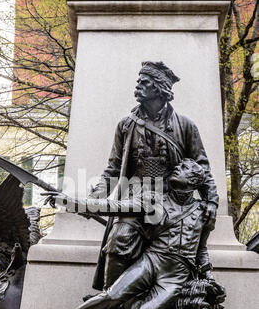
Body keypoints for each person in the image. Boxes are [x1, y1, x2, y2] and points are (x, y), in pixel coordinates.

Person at [25, 159, 222, 309]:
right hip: (152, 260)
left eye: (185, 168)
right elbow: (112, 206)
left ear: (195, 182)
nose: (178, 167)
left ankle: (121, 303)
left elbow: (201, 249)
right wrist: (69, 202)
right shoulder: (154, 200)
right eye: (179, 166)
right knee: (110, 295)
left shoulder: (204, 211)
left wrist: (209, 277)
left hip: (176, 274)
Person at [88, 61, 219, 292]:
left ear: (159, 88)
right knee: (119, 238)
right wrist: (96, 197)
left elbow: (201, 167)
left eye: (144, 82)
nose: (137, 86)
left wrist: (211, 201)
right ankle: (109, 303)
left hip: (172, 203)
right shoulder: (126, 125)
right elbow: (113, 168)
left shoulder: (185, 125)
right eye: (138, 81)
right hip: (135, 201)